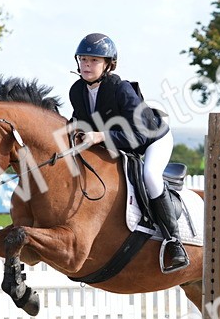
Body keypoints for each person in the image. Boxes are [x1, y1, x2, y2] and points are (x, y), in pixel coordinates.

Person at [66, 33, 188, 272]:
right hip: (119, 144)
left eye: (94, 60)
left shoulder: (120, 89)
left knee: (150, 176)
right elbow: (79, 122)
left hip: (152, 140)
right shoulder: (77, 91)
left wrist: (100, 136)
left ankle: (174, 243)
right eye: (83, 59)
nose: (86, 65)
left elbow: (139, 136)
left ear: (108, 64)